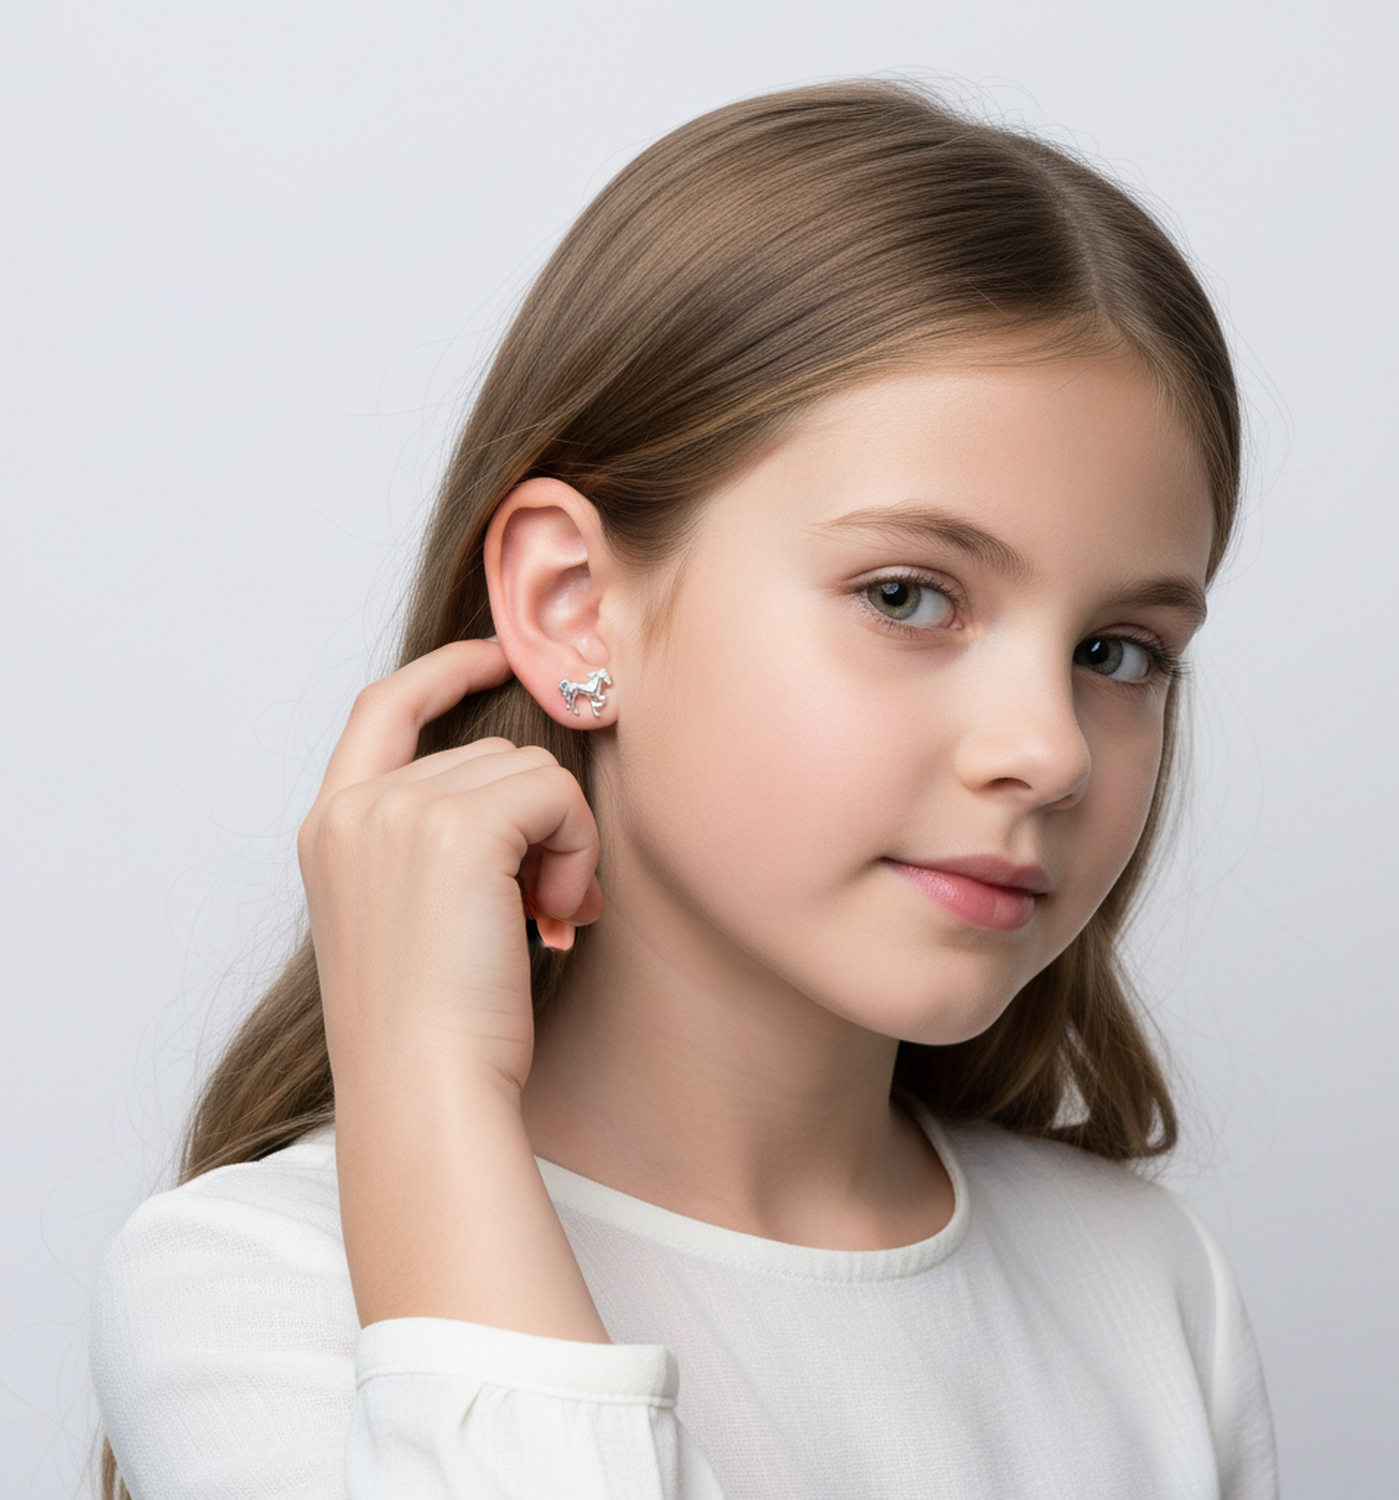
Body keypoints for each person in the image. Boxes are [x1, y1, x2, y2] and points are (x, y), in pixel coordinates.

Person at [88, 78, 1278, 1499]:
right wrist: (425, 1091)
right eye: (908, 595)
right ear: (576, 603)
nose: (1051, 748)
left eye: (1117, 650)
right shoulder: (262, 1290)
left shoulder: (1146, 1290)